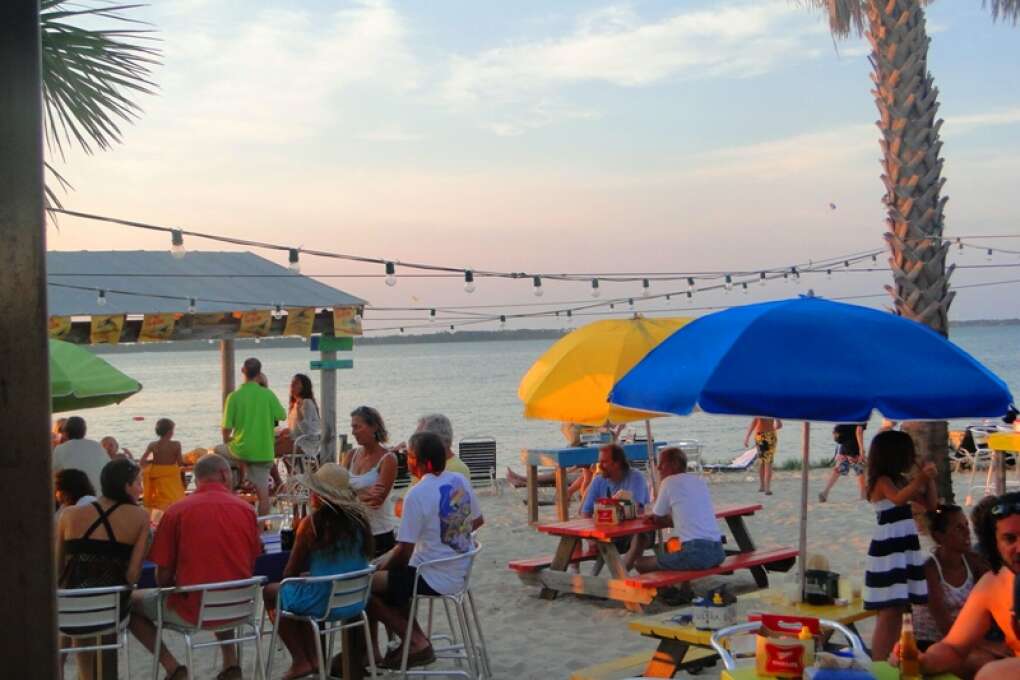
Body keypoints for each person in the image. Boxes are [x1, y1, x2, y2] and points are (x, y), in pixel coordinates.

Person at [129, 454, 262, 680]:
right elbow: (253, 558)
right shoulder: (247, 510)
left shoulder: (177, 511)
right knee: (221, 581)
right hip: (240, 605)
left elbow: (163, 576)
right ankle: (231, 664)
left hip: (196, 610)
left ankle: (172, 667)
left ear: (196, 479)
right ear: (223, 474)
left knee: (129, 603)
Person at [368, 431, 484, 669]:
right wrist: (452, 535)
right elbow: (478, 520)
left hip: (433, 575)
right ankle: (412, 640)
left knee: (364, 588)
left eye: (409, 456)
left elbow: (404, 552)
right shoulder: (458, 481)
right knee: (392, 581)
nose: (406, 460)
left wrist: (381, 568)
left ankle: (417, 641)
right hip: (459, 569)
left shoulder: (417, 494)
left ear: (418, 462)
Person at [262, 464, 373, 680]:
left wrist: (305, 575)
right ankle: (313, 659)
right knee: (298, 591)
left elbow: (289, 573)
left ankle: (303, 658)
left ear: (320, 495)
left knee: (271, 592)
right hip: (356, 600)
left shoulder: (312, 524)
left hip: (324, 602)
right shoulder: (360, 522)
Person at [892, 491, 1020, 678]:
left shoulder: (975, 564)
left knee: (990, 672)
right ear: (995, 543)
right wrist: (921, 660)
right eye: (1010, 539)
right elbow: (954, 647)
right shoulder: (992, 585)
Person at [57, 458, 149, 680]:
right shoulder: (140, 517)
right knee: (111, 603)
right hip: (109, 611)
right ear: (126, 486)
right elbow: (132, 576)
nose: (141, 488)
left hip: (69, 612)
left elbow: (57, 569)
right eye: (138, 482)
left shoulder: (68, 515)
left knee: (85, 604)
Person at [863, 430, 938, 661]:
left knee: (900, 608)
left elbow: (930, 505)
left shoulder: (901, 480)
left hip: (902, 546)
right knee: (888, 611)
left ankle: (889, 657)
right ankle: (878, 660)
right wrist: (921, 478)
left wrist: (930, 479)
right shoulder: (882, 482)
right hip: (888, 550)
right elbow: (898, 498)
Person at [911, 505, 1007, 673]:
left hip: (966, 640)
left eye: (966, 526)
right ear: (939, 536)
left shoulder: (973, 562)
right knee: (987, 663)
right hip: (933, 644)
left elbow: (999, 595)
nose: (967, 532)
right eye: (958, 528)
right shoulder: (929, 570)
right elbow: (945, 626)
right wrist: (989, 646)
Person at [622, 447, 725, 574]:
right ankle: (674, 588)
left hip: (695, 552)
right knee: (673, 555)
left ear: (675, 464)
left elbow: (657, 516)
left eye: (662, 464)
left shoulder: (669, 482)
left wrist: (656, 516)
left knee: (640, 563)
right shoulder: (699, 481)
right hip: (718, 552)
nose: (658, 468)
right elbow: (685, 515)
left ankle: (663, 591)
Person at [222, 357, 287, 516]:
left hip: (242, 451)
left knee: (215, 452)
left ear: (243, 371)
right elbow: (282, 415)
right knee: (263, 497)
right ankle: (260, 530)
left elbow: (226, 430)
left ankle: (236, 481)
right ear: (259, 373)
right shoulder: (267, 395)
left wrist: (228, 441)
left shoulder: (234, 396)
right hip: (264, 454)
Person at [342, 406, 399, 557]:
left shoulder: (388, 459)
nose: (353, 431)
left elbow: (376, 502)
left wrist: (349, 494)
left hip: (379, 535)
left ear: (373, 427)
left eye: (358, 427)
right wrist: (360, 493)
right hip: (353, 532)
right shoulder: (351, 455)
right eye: (352, 427)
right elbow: (336, 491)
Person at [580, 443, 650, 518]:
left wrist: (607, 506)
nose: (600, 466)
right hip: (608, 527)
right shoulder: (598, 480)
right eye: (600, 462)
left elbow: (635, 508)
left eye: (604, 462)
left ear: (617, 463)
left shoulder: (636, 477)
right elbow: (586, 512)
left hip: (636, 527)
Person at [140, 418, 187, 517]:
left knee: (159, 498)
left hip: (156, 476)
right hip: (171, 476)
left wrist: (153, 462)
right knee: (175, 497)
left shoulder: (153, 445)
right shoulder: (176, 445)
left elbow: (142, 461)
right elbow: (180, 463)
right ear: (170, 432)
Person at [53, 416, 109, 493]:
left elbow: (53, 475)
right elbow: (109, 468)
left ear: (66, 432)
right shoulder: (97, 446)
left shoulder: (60, 449)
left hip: (76, 498)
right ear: (84, 431)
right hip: (101, 496)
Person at [818, 422, 867, 503]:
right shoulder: (862, 414)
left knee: (839, 469)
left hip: (843, 446)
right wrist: (861, 449)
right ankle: (863, 495)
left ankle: (825, 492)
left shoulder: (849, 412)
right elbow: (859, 431)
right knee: (860, 470)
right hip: (854, 447)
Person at [744, 417, 782, 495]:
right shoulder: (774, 408)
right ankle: (767, 488)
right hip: (770, 436)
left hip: (760, 436)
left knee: (761, 461)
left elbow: (754, 422)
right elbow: (779, 425)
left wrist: (747, 437)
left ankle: (762, 486)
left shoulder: (761, 407)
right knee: (768, 461)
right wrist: (773, 428)